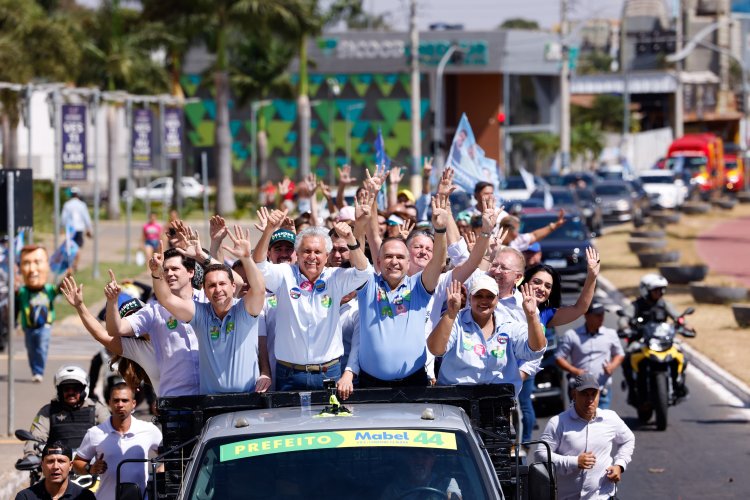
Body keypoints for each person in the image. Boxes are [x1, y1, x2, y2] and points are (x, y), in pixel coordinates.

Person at [252, 195, 372, 394]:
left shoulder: (336, 277)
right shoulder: (284, 274)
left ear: (327, 256)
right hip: (289, 374)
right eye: (307, 251)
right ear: (297, 254)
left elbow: (364, 271)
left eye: (318, 252)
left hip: (329, 372)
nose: (312, 257)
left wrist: (351, 239)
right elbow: (258, 265)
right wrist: (269, 230)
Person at [341, 195, 449, 394]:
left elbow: (438, 264)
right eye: (388, 257)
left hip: (413, 383)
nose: (394, 261)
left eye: (400, 257)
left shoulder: (419, 285)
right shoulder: (368, 283)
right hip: (371, 384)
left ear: (408, 263)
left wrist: (440, 231)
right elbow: (357, 257)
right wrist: (359, 225)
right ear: (379, 263)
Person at [150, 227, 272, 394]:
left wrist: (246, 258)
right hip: (211, 405)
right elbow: (166, 299)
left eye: (222, 284)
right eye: (211, 286)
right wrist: (157, 274)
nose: (218, 290)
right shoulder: (200, 314)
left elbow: (259, 289)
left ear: (233, 286)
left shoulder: (244, 309)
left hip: (248, 400)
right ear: (204, 291)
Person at [517, 249, 600, 442]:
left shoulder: (544, 314)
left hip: (523, 373)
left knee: (524, 409)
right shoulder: (505, 301)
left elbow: (580, 309)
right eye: (536, 282)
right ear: (523, 281)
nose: (541, 288)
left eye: (547, 286)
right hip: (495, 374)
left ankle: (523, 449)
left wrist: (591, 276)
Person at [105, 250, 201, 397]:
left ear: (190, 272)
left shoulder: (208, 302)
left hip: (210, 397)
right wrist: (112, 302)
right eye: (166, 270)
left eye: (175, 269)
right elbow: (115, 329)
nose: (169, 274)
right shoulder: (153, 310)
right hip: (175, 402)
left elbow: (234, 283)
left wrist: (209, 253)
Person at [428, 275, 545, 393]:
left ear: (497, 299)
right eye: (478, 296)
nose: (484, 300)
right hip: (454, 399)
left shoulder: (508, 325)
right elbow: (436, 350)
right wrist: (451, 313)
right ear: (470, 298)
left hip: (497, 402)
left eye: (490, 296)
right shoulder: (455, 320)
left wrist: (531, 316)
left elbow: (535, 350)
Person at [535, 373, 635, 500]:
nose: (590, 400)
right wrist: (574, 462)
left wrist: (619, 465)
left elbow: (628, 440)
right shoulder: (558, 422)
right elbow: (540, 454)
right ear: (574, 395)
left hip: (603, 495)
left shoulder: (611, 418)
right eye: (585, 394)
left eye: (593, 394)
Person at [60, 276, 161, 397]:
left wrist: (157, 272)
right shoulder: (136, 348)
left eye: (137, 316)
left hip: (189, 400)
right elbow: (100, 334)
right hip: (169, 409)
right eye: (129, 319)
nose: (135, 322)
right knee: (96, 361)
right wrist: (80, 306)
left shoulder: (167, 329)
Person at [73, 383, 162, 500]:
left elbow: (170, 456)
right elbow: (76, 463)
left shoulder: (148, 430)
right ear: (109, 403)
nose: (120, 405)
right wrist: (90, 468)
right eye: (116, 400)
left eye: (125, 400)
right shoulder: (95, 433)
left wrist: (161, 470)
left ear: (133, 404)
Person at [19, 366, 109, 463]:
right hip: (56, 464)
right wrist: (30, 455)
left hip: (91, 466)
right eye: (66, 389)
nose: (71, 392)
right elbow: (36, 436)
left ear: (84, 390)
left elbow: (111, 431)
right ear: (59, 391)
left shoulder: (97, 408)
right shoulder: (48, 411)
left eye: (75, 389)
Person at [556, 303, 625, 409]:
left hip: (602, 389)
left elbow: (619, 354)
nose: (601, 318)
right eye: (597, 315)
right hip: (579, 390)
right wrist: (575, 371)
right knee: (578, 423)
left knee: (601, 424)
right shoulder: (572, 335)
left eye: (602, 314)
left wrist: (612, 366)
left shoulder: (610, 334)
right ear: (586, 316)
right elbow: (559, 358)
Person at [16, 245, 62, 382]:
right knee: (31, 350)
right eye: (26, 263)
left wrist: (68, 275)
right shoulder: (24, 291)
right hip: (29, 327)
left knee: (41, 346)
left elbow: (59, 289)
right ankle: (34, 369)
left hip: (44, 326)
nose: (32, 269)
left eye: (37, 262)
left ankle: (39, 371)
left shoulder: (48, 289)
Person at [15, 442, 96, 500]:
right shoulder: (25, 497)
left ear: (70, 465)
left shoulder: (85, 497)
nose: (55, 467)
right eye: (50, 461)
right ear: (42, 465)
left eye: (61, 461)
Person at [379, 448, 462, 500]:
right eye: (415, 457)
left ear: (432, 460)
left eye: (425, 458)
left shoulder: (446, 483)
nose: (419, 462)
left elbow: (455, 497)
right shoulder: (395, 489)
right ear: (408, 461)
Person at [60, 187, 92, 272]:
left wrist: (62, 228)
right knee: (77, 247)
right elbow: (86, 218)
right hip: (79, 229)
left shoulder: (67, 204)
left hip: (70, 229)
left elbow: (63, 218)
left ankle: (70, 264)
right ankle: (75, 264)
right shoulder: (82, 205)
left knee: (70, 247)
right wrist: (89, 228)